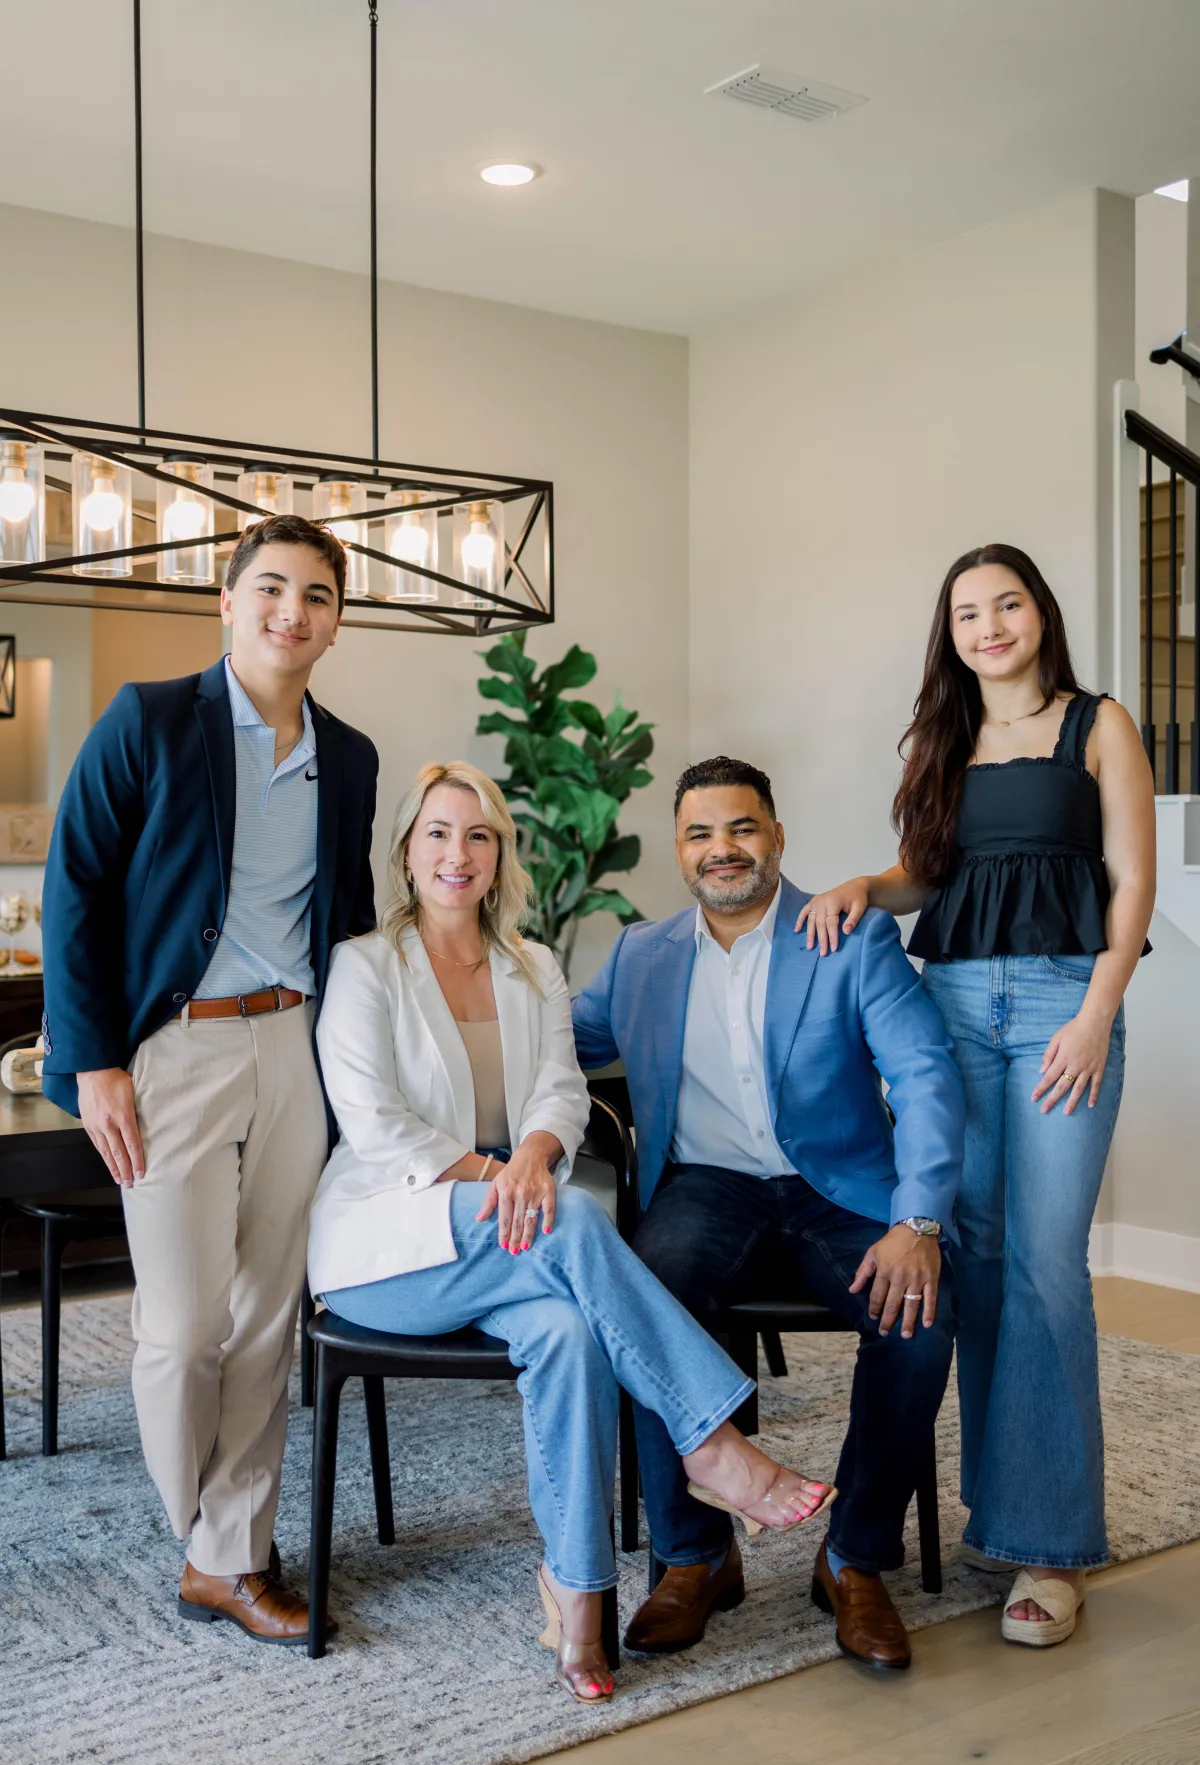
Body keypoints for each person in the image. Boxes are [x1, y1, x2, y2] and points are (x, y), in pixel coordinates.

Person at [309, 760, 836, 1703]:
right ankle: (709, 1440)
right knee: (574, 1218)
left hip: (507, 1233)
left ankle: (577, 1595)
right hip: (390, 1247)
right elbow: (376, 1126)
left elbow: (562, 1091)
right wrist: (502, 1176)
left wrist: (532, 1154)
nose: (458, 854)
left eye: (478, 835)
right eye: (437, 834)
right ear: (407, 852)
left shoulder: (533, 965)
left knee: (568, 1333)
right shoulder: (365, 965)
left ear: (499, 853)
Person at [797, 545, 1155, 1647]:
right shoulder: (944, 739)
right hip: (951, 1005)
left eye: (1007, 604)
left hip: (1061, 1005)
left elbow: (1133, 881)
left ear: (1040, 613)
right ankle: (1001, 1522)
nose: (989, 626)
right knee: (982, 1262)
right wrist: (865, 885)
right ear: (949, 634)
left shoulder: (1098, 724)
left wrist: (1095, 1012)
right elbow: (929, 877)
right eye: (967, 612)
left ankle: (1051, 1548)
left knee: (1046, 1266)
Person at [41, 514, 379, 1645]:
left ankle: (232, 1556)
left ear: (337, 623)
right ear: (226, 602)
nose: (293, 611)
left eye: (317, 595)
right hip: (174, 1050)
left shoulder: (352, 756)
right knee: (182, 1331)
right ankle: (205, 1529)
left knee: (267, 1320)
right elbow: (76, 885)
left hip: (296, 1047)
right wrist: (95, 1060)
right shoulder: (148, 719)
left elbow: (348, 920)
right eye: (271, 587)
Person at [571, 756, 964, 1672]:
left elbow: (925, 1076)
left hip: (839, 1189)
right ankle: (695, 1556)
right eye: (701, 834)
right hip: (706, 1187)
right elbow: (547, 1044)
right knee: (648, 1293)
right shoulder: (639, 957)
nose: (723, 849)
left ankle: (854, 1556)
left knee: (921, 1313)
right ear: (679, 850)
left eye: (742, 828)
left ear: (777, 836)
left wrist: (917, 1222)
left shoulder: (849, 935)